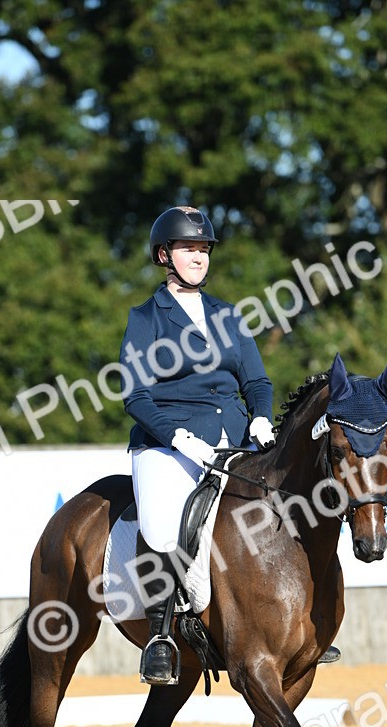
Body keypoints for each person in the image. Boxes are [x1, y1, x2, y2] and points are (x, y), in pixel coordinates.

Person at [120, 205, 276, 685]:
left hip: (233, 441)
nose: (199, 256)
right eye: (190, 248)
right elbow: (135, 394)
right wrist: (177, 437)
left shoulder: (228, 315)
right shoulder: (146, 317)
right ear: (165, 255)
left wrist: (264, 419)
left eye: (204, 249)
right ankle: (162, 636)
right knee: (164, 526)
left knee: (282, 509)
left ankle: (286, 626)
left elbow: (257, 381)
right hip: (169, 446)